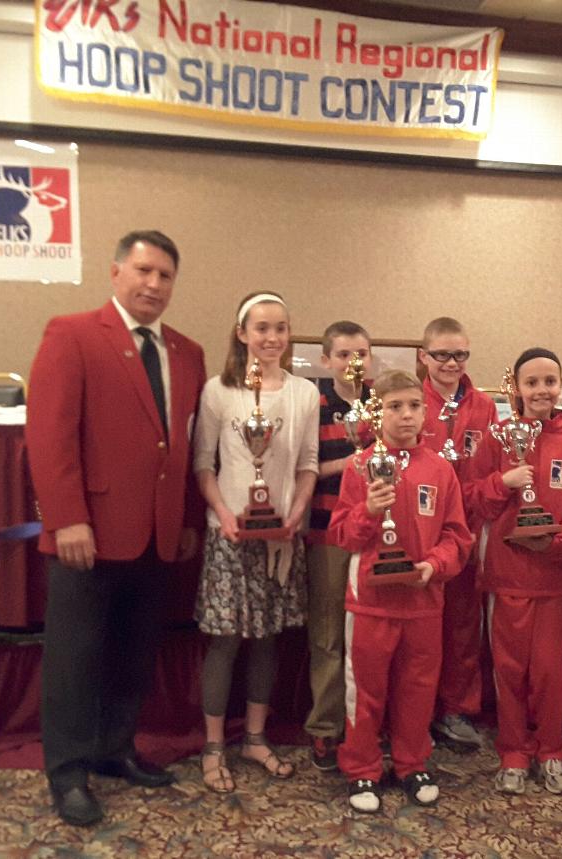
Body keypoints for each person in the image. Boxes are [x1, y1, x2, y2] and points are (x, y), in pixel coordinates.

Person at [26, 230, 207, 826]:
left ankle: (114, 748)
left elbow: (180, 443)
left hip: (155, 535)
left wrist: (183, 520)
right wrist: (67, 518)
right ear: (116, 273)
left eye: (166, 276)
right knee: (75, 657)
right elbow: (51, 437)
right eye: (144, 271)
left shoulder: (187, 351)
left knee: (133, 652)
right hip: (89, 535)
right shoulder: (72, 334)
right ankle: (68, 772)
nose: (154, 284)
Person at [328, 369, 472, 814]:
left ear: (424, 410)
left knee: (418, 688)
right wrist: (368, 511)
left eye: (413, 406)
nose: (405, 415)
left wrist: (435, 565)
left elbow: (457, 535)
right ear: (377, 412)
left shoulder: (441, 469)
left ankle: (412, 763)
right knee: (365, 690)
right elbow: (341, 535)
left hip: (423, 603)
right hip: (370, 602)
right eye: (394, 407)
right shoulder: (359, 465)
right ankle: (362, 768)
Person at [193, 292, 319, 794]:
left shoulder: (304, 393)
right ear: (242, 333)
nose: (272, 337)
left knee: (268, 640)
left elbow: (307, 462)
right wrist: (224, 514)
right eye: (262, 328)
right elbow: (204, 463)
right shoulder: (218, 391)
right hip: (229, 535)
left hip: (281, 537)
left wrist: (294, 513)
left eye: (281, 328)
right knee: (225, 643)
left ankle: (255, 737)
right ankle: (212, 744)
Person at [465, 348, 562, 795]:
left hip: (552, 578)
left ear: (560, 386)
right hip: (506, 576)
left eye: (549, 382)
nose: (541, 390)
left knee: (550, 674)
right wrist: (504, 482)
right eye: (531, 382)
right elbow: (474, 499)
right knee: (510, 670)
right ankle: (514, 752)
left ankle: (551, 751)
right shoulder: (497, 438)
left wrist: (557, 541)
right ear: (515, 388)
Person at [418, 317, 498, 751]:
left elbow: (486, 471)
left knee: (464, 627)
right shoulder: (411, 401)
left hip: (465, 527)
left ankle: (457, 710)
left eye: (460, 354)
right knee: (422, 627)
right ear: (423, 356)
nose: (452, 363)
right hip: (419, 530)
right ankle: (417, 709)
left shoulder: (483, 406)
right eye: (442, 354)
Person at [304, 320, 374, 772]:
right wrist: (349, 464)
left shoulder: (380, 405)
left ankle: (366, 725)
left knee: (370, 634)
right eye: (345, 355)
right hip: (327, 531)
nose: (354, 363)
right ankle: (326, 729)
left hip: (373, 534)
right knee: (329, 633)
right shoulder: (313, 404)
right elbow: (301, 470)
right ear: (327, 360)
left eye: (361, 355)